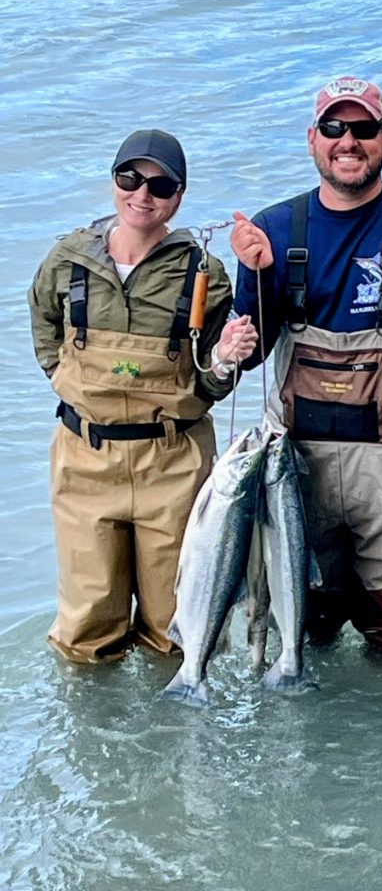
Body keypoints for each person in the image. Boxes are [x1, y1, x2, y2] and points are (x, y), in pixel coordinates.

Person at [231, 75, 382, 651]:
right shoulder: (272, 229)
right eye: (334, 127)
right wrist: (254, 277)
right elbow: (251, 353)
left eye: (363, 128)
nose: (348, 141)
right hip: (298, 476)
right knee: (304, 633)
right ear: (312, 139)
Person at [29, 129, 258, 664]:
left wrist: (226, 358)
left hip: (174, 466)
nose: (142, 195)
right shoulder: (67, 260)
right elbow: (44, 331)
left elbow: (210, 384)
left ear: (179, 196)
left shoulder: (204, 274)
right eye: (130, 178)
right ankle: (94, 718)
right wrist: (68, 383)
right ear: (113, 180)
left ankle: (173, 712)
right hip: (84, 463)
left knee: (176, 628)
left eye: (160, 185)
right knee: (84, 632)